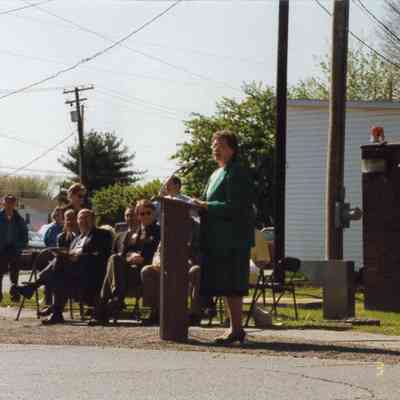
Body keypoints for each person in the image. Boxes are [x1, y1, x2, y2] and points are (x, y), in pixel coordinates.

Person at [192, 130, 255, 345]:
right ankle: (235, 328)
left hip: (234, 238)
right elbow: (208, 202)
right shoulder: (215, 174)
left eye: (220, 145)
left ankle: (236, 329)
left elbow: (236, 206)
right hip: (217, 238)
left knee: (233, 285)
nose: (215, 149)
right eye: (213, 145)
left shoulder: (237, 172)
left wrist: (206, 205)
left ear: (232, 149)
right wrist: (196, 205)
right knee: (226, 285)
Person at [16, 209, 112, 324]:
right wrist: (67, 255)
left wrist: (79, 257)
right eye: (81, 218)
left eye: (87, 218)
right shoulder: (77, 239)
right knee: (59, 271)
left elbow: (102, 257)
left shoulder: (102, 234)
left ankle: (34, 288)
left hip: (90, 274)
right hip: (72, 274)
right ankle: (55, 312)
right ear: (78, 221)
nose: (83, 221)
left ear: (93, 220)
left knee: (59, 265)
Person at [91, 200, 160, 325]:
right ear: (138, 216)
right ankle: (116, 297)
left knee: (113, 267)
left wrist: (143, 259)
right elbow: (126, 252)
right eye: (141, 214)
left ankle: (105, 306)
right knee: (114, 259)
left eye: (148, 213)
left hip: (148, 270)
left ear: (154, 213)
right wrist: (130, 257)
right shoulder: (135, 232)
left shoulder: (159, 231)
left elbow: (158, 254)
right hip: (128, 271)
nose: (145, 216)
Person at [0, 194, 28, 302]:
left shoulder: (18, 218)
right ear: (3, 203)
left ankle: (14, 294)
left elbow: (24, 235)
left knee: (15, 273)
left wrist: (20, 246)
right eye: (7, 202)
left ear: (14, 204)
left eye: (11, 203)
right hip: (1, 249)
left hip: (14, 249)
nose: (9, 205)